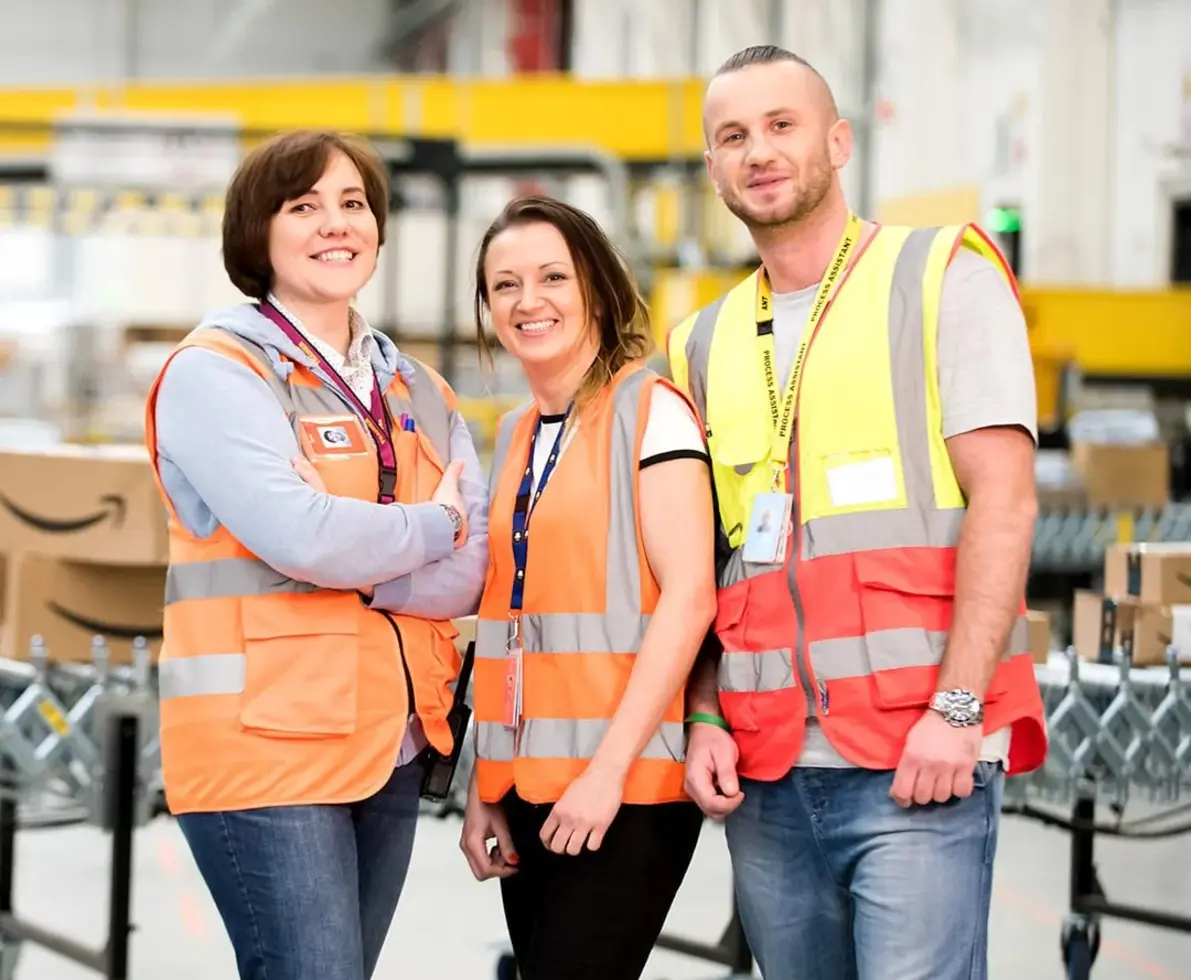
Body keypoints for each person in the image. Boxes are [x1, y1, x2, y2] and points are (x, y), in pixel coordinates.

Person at [667, 46, 1050, 980]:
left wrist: (958, 711)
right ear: (713, 171)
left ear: (837, 141)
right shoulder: (700, 342)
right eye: (733, 136)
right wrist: (705, 714)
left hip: (916, 755)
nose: (758, 151)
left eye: (781, 126)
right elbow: (707, 562)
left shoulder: (937, 274)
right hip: (762, 771)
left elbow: (1004, 499)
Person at [143, 129, 488, 980]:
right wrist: (422, 528)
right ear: (256, 233)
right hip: (265, 749)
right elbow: (305, 535)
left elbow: (475, 562)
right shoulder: (218, 372)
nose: (336, 224)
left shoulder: (416, 388)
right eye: (304, 207)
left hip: (395, 741)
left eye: (353, 204)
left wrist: (352, 557)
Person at [459, 195, 716, 980]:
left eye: (550, 278)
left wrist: (605, 773)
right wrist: (481, 782)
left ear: (598, 289)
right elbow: (507, 624)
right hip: (525, 787)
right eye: (504, 285)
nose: (526, 302)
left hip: (623, 788)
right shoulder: (513, 435)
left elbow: (689, 597)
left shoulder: (651, 412)